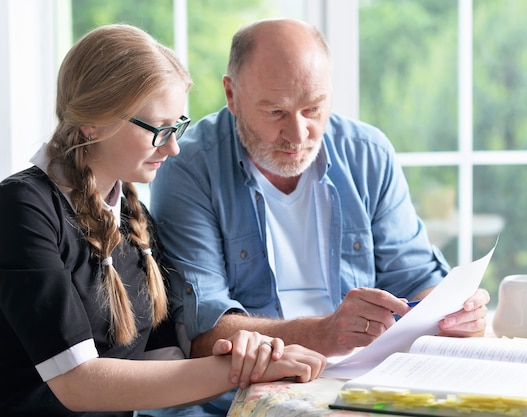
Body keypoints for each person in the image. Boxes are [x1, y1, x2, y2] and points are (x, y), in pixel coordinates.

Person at [149, 18, 490, 417]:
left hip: (363, 385)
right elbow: (204, 333)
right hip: (240, 397)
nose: (297, 134)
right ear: (232, 94)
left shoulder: (368, 152)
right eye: (276, 112)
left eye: (313, 109)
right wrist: (325, 334)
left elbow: (416, 280)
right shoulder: (189, 165)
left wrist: (453, 314)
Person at [0, 24, 326, 417]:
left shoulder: (133, 218)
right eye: (159, 129)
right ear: (93, 121)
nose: (173, 147)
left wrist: (249, 355)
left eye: (178, 126)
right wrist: (233, 371)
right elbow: (77, 383)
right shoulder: (22, 209)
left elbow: (162, 363)